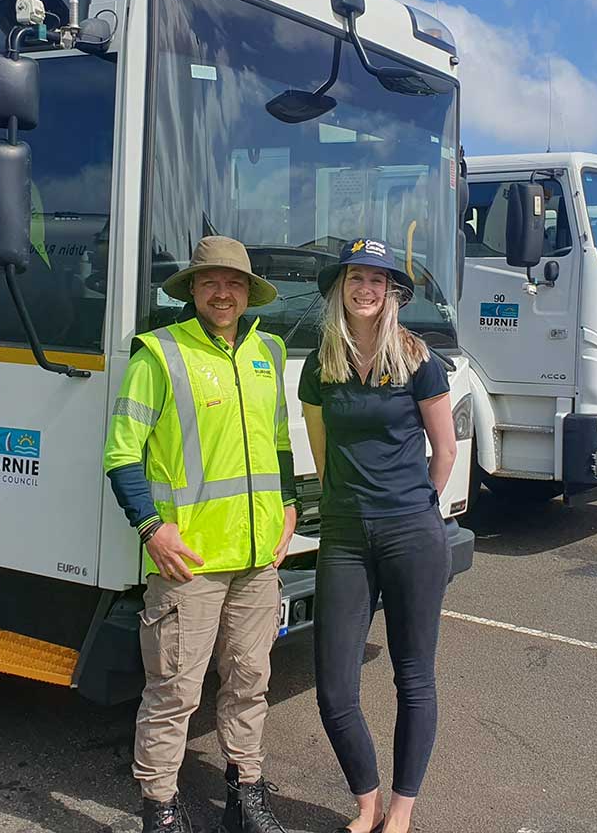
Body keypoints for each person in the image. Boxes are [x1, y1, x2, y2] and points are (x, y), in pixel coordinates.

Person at [104, 236, 299, 833]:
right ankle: (160, 807)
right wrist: (151, 528)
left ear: (248, 293)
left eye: (234, 283)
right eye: (210, 281)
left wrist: (290, 507)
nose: (222, 293)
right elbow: (121, 454)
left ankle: (246, 797)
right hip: (187, 560)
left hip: (257, 557)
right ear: (192, 289)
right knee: (174, 693)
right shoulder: (158, 355)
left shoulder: (268, 351)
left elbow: (280, 443)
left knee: (250, 683)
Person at [299, 238, 458, 833]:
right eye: (356, 278)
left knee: (412, 676)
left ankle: (400, 812)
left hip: (411, 531)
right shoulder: (321, 365)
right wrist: (351, 504)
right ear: (340, 289)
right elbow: (321, 455)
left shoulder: (418, 359)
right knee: (334, 688)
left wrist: (415, 508)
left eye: (377, 280)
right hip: (343, 535)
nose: (366, 289)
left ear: (391, 293)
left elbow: (444, 450)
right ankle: (365, 803)